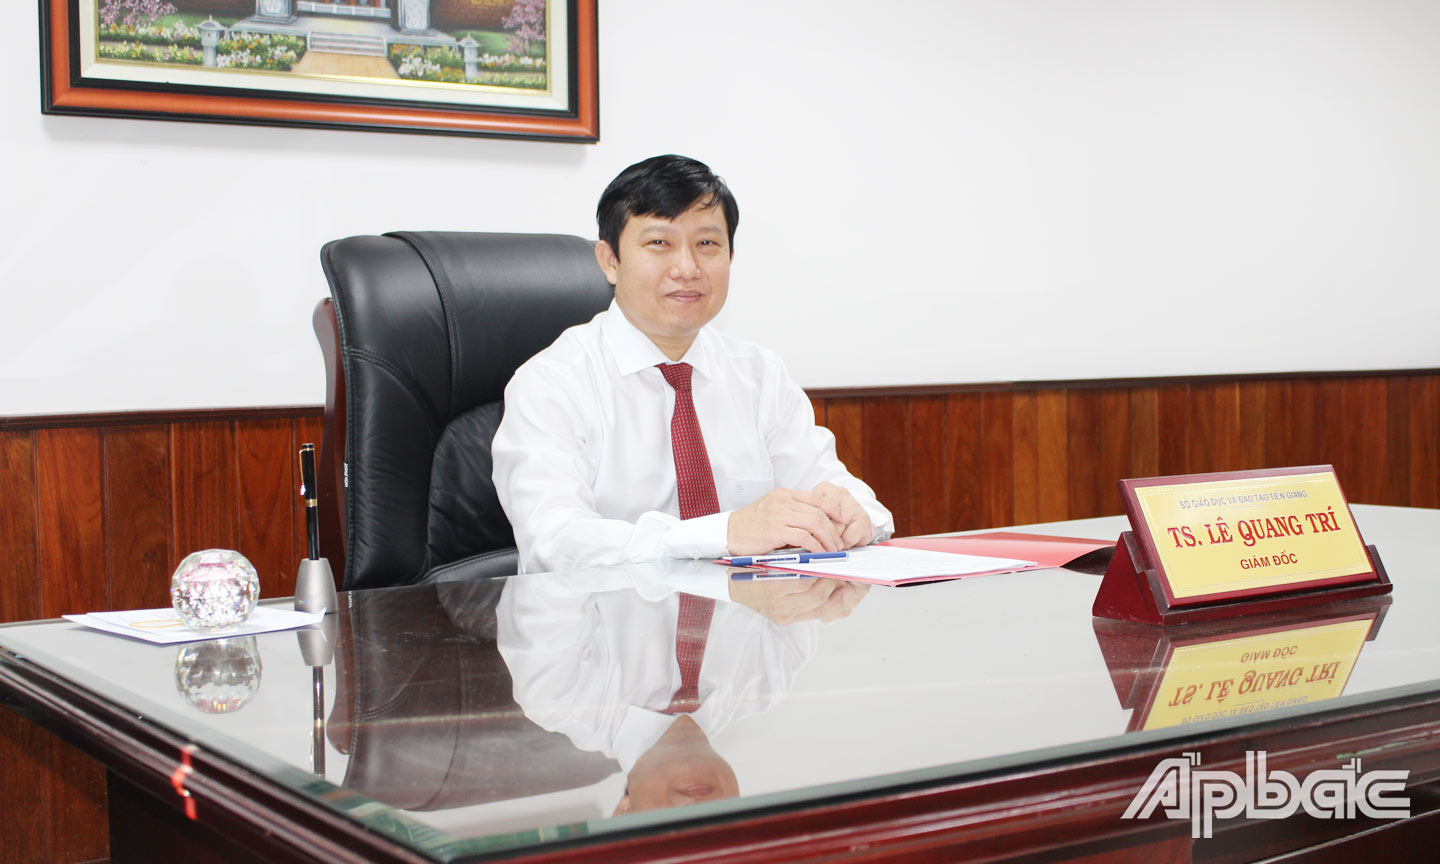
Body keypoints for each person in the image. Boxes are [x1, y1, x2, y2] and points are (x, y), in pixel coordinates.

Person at [492, 154, 893, 574]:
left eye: (707, 244)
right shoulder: (552, 383)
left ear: (730, 257)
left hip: (746, 613)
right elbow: (554, 541)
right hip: (603, 615)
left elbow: (843, 493)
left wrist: (853, 515)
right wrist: (723, 533)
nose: (687, 268)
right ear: (610, 261)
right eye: (659, 243)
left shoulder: (759, 375)